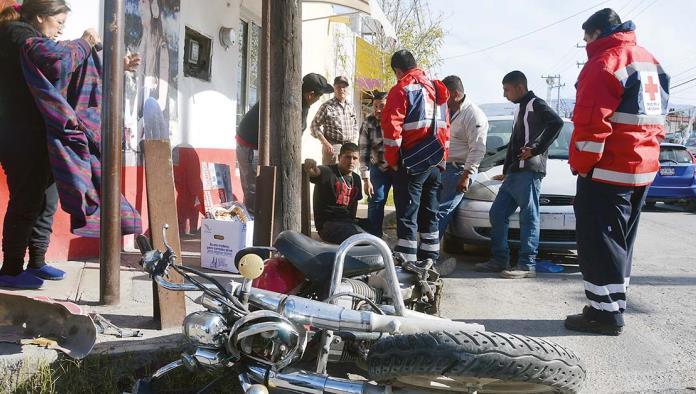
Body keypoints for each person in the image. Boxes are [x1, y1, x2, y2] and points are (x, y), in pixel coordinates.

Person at [0, 0, 140, 289]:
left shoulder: (33, 37)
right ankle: (11, 270)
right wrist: (86, 41)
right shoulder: (16, 34)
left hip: (42, 135)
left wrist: (115, 65)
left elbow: (69, 65)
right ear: (40, 17)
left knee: (46, 201)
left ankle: (37, 261)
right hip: (19, 135)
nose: (61, 29)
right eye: (59, 22)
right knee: (26, 200)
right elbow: (58, 61)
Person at [565, 9, 669, 336]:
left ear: (597, 33)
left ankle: (606, 315)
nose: (584, 45)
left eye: (586, 38)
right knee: (620, 243)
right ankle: (608, 304)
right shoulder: (650, 61)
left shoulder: (605, 63)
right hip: (641, 169)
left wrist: (581, 168)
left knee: (599, 243)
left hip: (608, 171)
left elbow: (591, 126)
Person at [474, 71, 563, 278]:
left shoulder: (535, 104)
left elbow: (556, 123)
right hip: (515, 173)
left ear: (519, 88)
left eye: (507, 89)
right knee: (497, 213)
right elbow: (515, 142)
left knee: (529, 217)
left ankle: (526, 265)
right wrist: (507, 171)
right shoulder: (520, 108)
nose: (504, 95)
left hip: (529, 171)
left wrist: (535, 149)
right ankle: (499, 260)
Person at [382, 49, 450, 264]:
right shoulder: (438, 90)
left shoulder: (402, 89)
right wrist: (442, 162)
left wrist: (393, 161)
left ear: (397, 70)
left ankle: (407, 260)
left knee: (407, 213)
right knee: (430, 213)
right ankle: (430, 258)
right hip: (435, 162)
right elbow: (445, 128)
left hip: (412, 162)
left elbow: (391, 129)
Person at [236, 73, 334, 213]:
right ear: (310, 95)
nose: (318, 100)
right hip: (250, 145)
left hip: (263, 146)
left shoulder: (302, 104)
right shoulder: (289, 102)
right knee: (255, 192)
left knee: (266, 193)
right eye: (319, 96)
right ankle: (253, 228)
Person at [435, 75, 489, 276]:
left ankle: (429, 256)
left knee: (442, 211)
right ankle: (427, 252)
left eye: (446, 96)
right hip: (443, 168)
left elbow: (477, 149)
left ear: (456, 94)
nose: (443, 100)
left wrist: (466, 175)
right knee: (434, 210)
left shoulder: (474, 115)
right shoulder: (449, 110)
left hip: (459, 170)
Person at [304, 143, 365, 245]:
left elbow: (354, 204)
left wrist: (353, 220)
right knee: (358, 237)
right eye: (347, 157)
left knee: (373, 229)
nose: (351, 161)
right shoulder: (328, 172)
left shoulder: (356, 178)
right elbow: (316, 172)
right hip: (328, 224)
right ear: (339, 157)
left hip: (347, 222)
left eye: (355, 158)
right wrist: (310, 166)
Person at [358, 91, 391, 237]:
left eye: (382, 106)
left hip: (397, 168)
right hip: (377, 167)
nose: (378, 110)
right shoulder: (368, 122)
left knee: (403, 203)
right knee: (376, 200)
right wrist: (366, 179)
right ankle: (374, 237)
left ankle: (404, 243)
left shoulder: (397, 119)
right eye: (375, 106)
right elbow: (363, 152)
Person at [310, 76, 359, 165]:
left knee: (346, 175)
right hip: (332, 146)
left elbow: (355, 125)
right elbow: (314, 125)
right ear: (334, 89)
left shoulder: (350, 106)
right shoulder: (327, 106)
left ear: (347, 89)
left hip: (349, 146)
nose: (341, 89)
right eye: (338, 87)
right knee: (331, 174)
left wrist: (353, 140)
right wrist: (325, 142)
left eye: (344, 87)